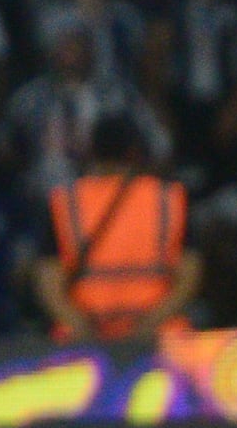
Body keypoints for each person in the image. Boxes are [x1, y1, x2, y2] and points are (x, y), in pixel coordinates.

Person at [30, 118, 194, 341]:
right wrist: (147, 327)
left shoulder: (66, 203)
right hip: (159, 341)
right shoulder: (168, 199)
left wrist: (84, 329)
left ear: (92, 151)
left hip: (84, 344)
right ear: (136, 152)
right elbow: (190, 274)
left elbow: (48, 280)